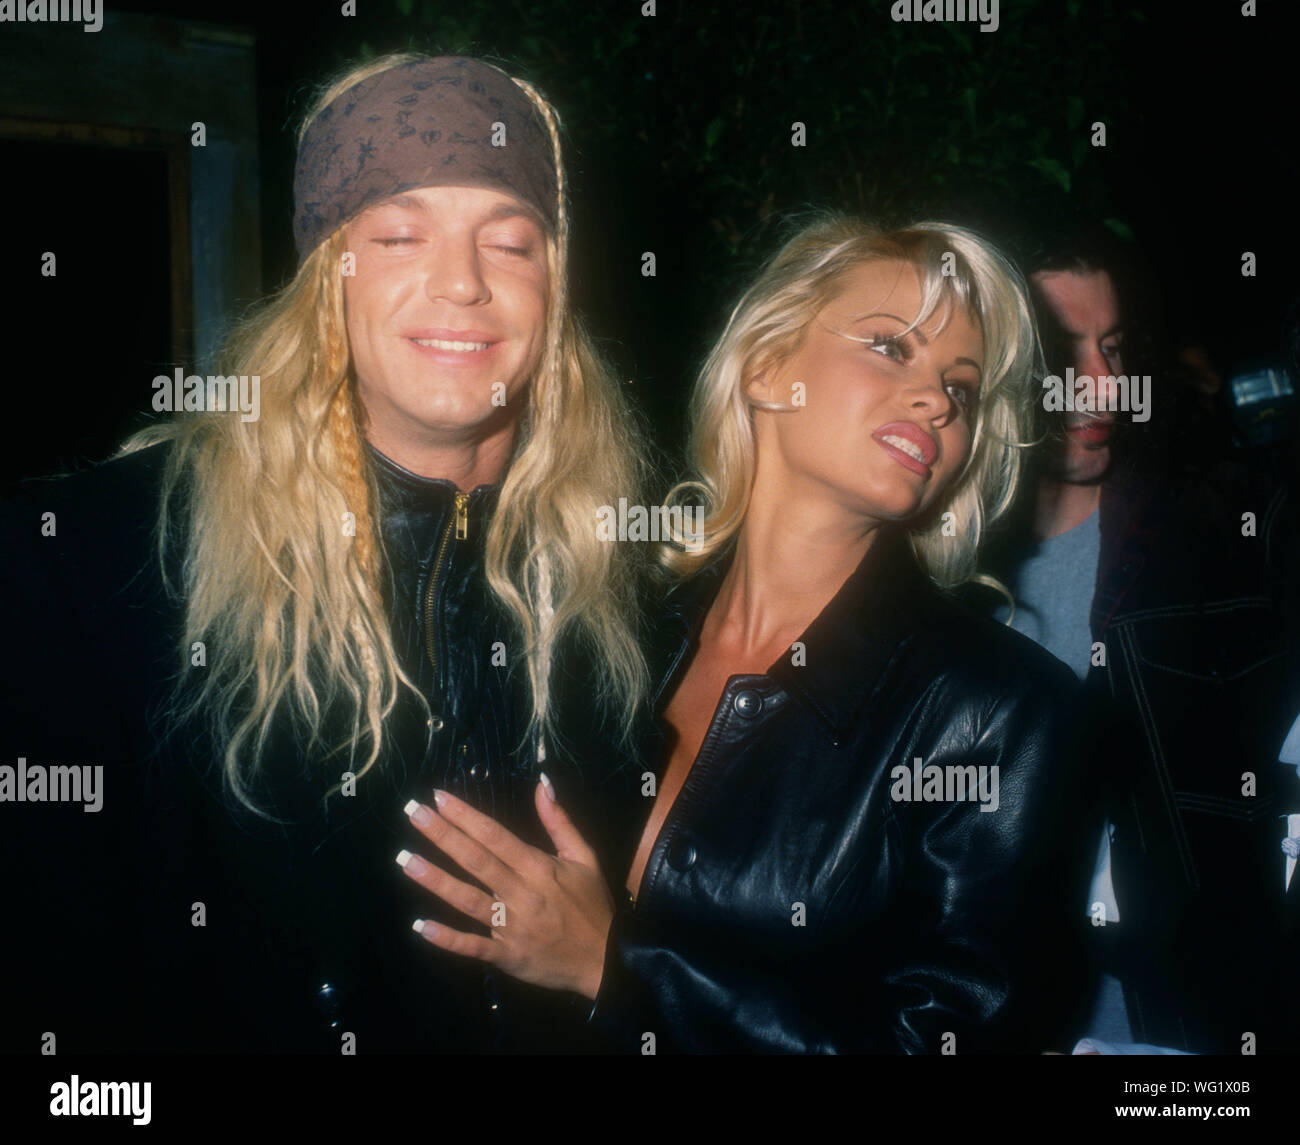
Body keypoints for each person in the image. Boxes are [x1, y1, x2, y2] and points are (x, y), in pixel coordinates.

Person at [0, 52, 652, 1053]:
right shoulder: (99, 563)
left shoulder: (624, 596)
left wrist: (622, 971)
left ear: (553, 291)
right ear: (326, 275)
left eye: (510, 242)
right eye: (399, 235)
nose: (464, 282)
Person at [393, 214, 1099, 1053]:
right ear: (766, 367)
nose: (938, 399)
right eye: (890, 346)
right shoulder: (609, 629)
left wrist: (618, 969)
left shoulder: (1001, 710)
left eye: (964, 387)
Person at [976, 225, 1300, 1053]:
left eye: (1114, 349)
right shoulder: (933, 582)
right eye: (1063, 354)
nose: (1104, 385)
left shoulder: (1229, 532)